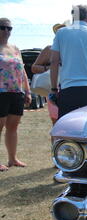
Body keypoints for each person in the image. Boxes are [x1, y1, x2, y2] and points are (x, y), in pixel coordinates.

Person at [0, 17, 31, 172]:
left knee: (13, 127)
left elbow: (22, 71)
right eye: (2, 27)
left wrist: (27, 90)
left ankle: (13, 159)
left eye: (9, 28)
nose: (6, 31)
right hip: (1, 93)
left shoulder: (15, 49)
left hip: (16, 92)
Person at [31, 22, 67, 125]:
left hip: (71, 88)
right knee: (57, 123)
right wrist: (49, 68)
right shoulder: (49, 49)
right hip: (54, 90)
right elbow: (34, 67)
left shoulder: (76, 51)